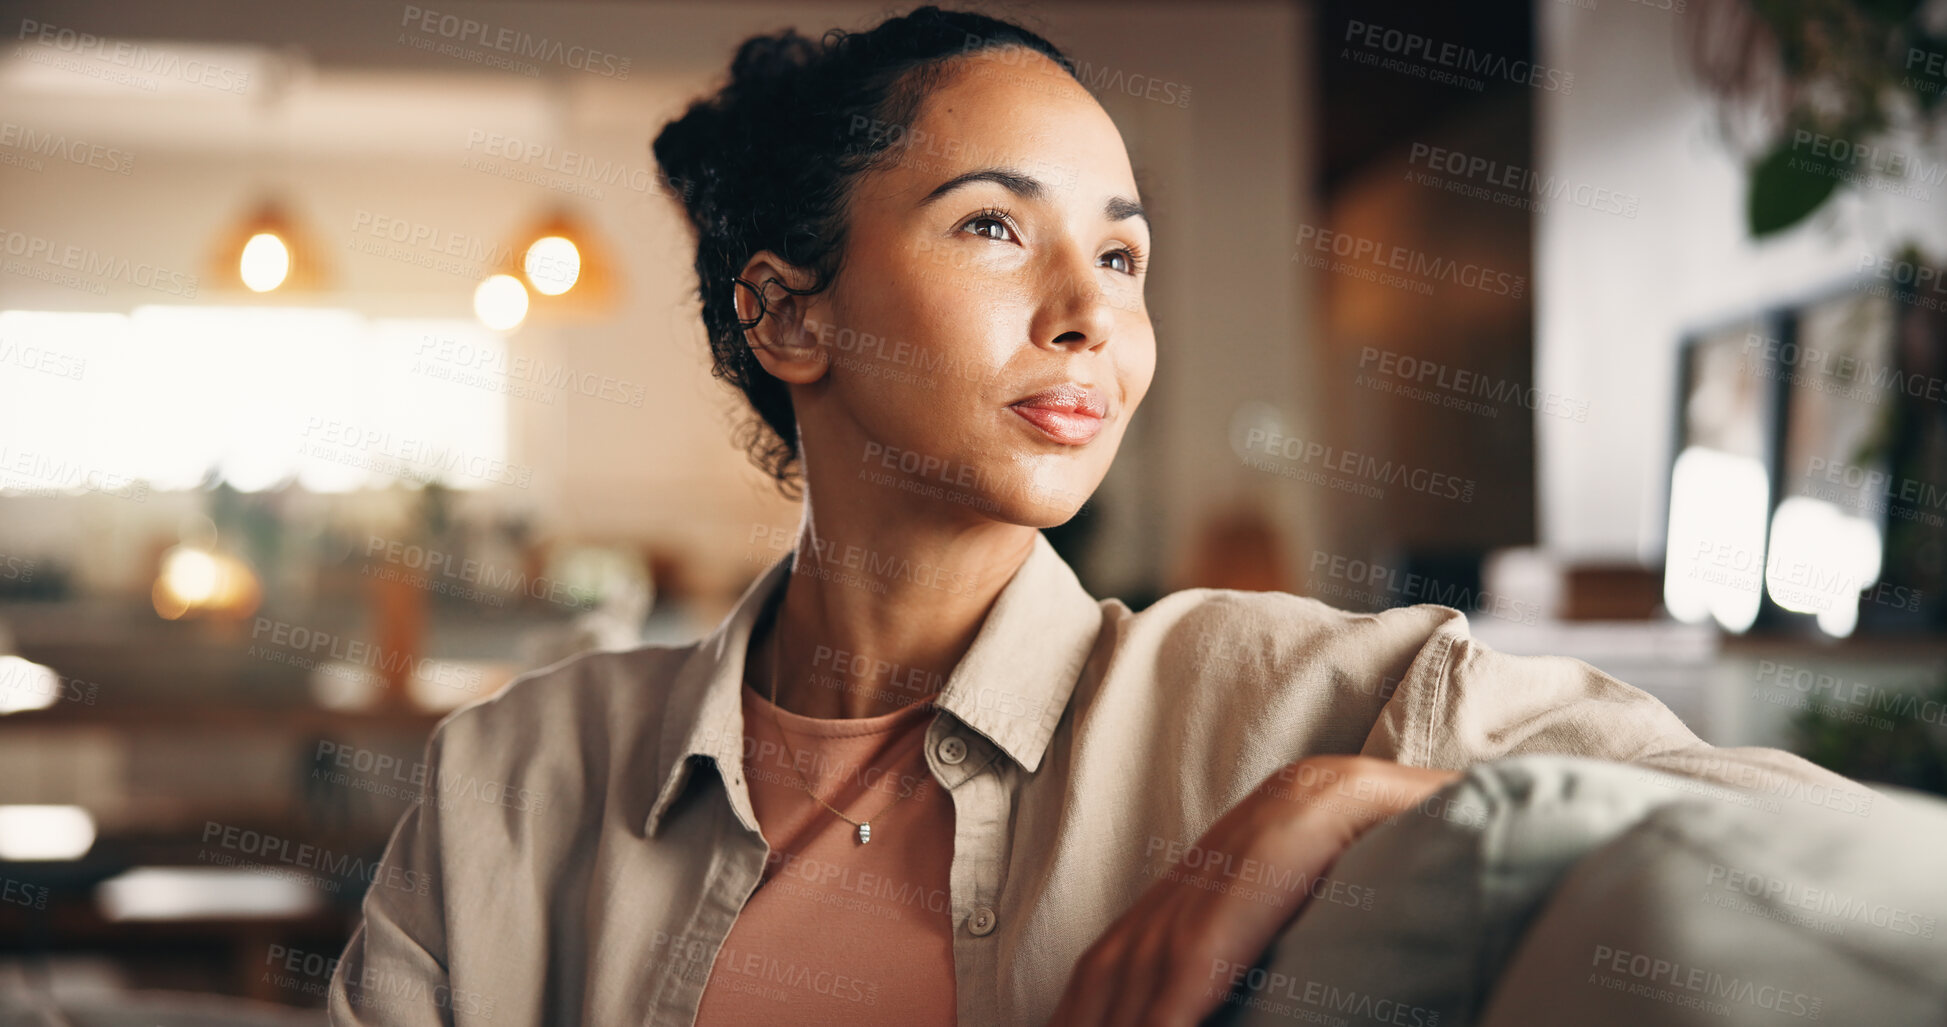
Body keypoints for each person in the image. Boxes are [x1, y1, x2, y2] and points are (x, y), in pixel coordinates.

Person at [327, 7, 1878, 1026]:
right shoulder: (511, 780)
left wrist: (1338, 807)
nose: (1090, 314)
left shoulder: (1310, 702)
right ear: (792, 319)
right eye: (996, 226)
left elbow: (1831, 857)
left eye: (1124, 257)